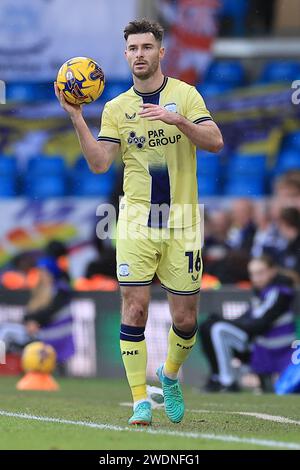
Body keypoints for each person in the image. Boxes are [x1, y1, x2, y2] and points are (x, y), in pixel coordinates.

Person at [54, 18, 223, 426]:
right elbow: (98, 164)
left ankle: (168, 377)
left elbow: (215, 141)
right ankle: (139, 403)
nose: (140, 54)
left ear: (161, 52)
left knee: (185, 319)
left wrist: (179, 121)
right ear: (126, 54)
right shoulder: (115, 108)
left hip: (182, 223)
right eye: (133, 48)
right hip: (135, 225)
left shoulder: (185, 95)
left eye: (147, 47)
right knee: (135, 308)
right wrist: (77, 116)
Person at [199, 255, 295, 392]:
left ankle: (227, 381)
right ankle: (217, 377)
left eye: (260, 273)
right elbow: (247, 318)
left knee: (218, 328)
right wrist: (221, 319)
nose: (256, 278)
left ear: (272, 271)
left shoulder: (279, 292)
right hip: (260, 346)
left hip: (276, 351)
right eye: (253, 274)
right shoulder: (261, 293)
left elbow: (259, 324)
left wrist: (223, 321)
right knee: (207, 326)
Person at [0, 256, 74, 364]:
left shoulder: (60, 290)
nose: (40, 275)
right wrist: (31, 321)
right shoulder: (40, 290)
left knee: (6, 332)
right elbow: (28, 314)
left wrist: (35, 322)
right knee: (5, 329)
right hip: (37, 331)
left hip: (50, 333)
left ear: (50, 273)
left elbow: (49, 312)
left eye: (43, 272)